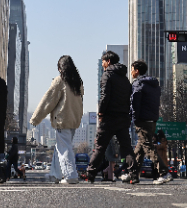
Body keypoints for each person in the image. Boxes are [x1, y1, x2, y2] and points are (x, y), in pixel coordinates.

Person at [31, 55, 84, 184]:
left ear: (61, 68)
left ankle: (70, 175)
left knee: (64, 148)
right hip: (74, 120)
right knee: (60, 147)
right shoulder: (78, 81)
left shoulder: (60, 81)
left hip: (62, 120)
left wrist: (35, 118)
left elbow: (48, 100)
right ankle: (55, 175)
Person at [85, 51, 135, 183]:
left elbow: (105, 96)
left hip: (108, 118)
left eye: (103, 61)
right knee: (126, 147)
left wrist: (101, 113)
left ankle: (90, 174)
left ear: (108, 61)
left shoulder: (107, 75)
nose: (102, 64)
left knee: (100, 146)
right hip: (123, 118)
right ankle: (134, 173)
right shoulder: (125, 78)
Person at [129, 60, 171, 185]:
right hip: (152, 119)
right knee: (140, 148)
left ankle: (164, 172)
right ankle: (132, 174)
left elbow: (135, 102)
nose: (131, 72)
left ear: (136, 71)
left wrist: (133, 116)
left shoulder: (138, 84)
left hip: (142, 119)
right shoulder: (154, 84)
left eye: (132, 69)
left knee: (147, 146)